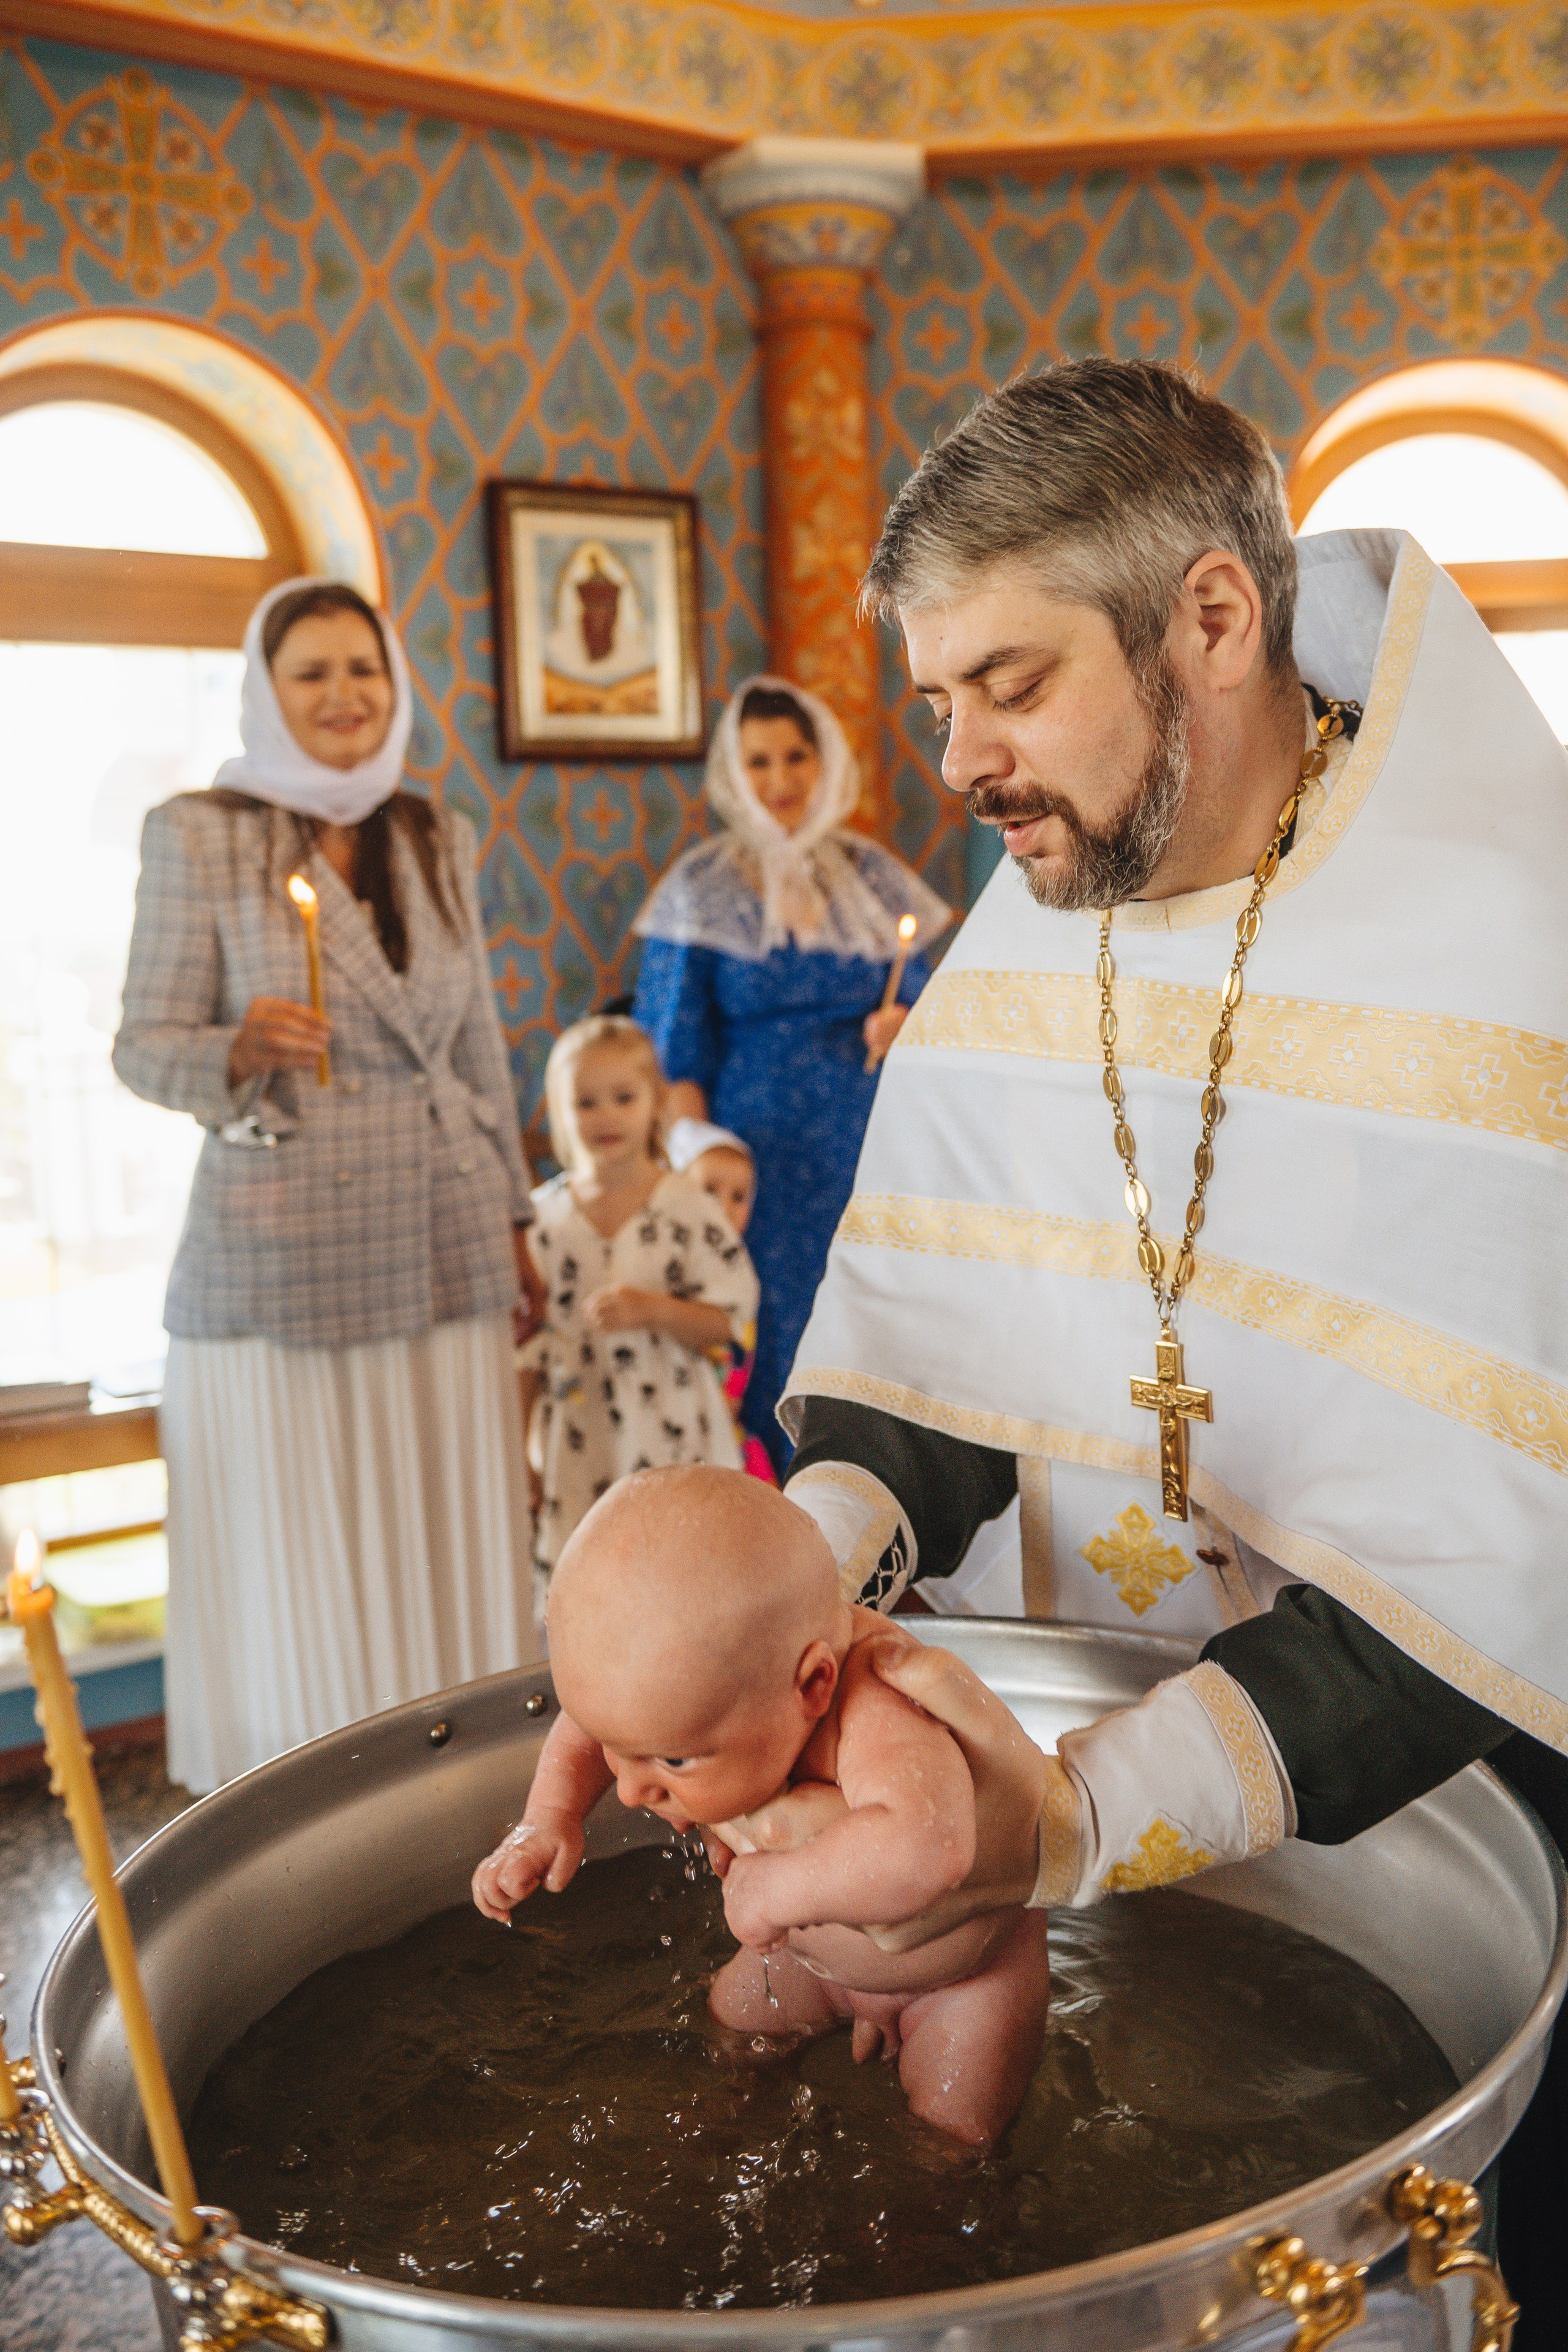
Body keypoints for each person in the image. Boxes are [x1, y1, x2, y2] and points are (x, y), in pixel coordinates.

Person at [769, 360, 1566, 2328]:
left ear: (1212, 615)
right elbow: (937, 1346)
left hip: (1454, 1791)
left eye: (1011, 684)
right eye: (938, 695)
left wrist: (1063, 1821)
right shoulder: (1040, 898)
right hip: (1078, 1765)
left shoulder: (1507, 952)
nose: (957, 756)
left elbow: (1496, 1552)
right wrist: (779, 1589)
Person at [113, 577, 541, 1793]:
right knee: (310, 1543)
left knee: (438, 1527)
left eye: (362, 669)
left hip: (444, 1232)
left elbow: (476, 1046)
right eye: (311, 674)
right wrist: (235, 1050)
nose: (343, 694)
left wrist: (514, 1221)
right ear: (264, 691)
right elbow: (141, 1047)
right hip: (282, 1248)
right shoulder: (199, 833)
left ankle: (454, 1790)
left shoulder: (432, 830)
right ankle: (301, 1800)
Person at [470, 1468, 1049, 2145]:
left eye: (673, 1761)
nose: (631, 1791)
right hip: (809, 1964)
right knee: (732, 2024)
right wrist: (549, 1818)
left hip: (958, 1980)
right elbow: (585, 1721)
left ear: (812, 1684)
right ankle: (727, 2127)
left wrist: (772, 1892)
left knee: (951, 2139)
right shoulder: (711, 1694)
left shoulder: (877, 1701)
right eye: (618, 1751)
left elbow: (931, 1849)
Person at [632, 677, 951, 1477]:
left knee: (874, 1323)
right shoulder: (699, 892)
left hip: (870, 1156)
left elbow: (936, 1015)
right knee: (770, 1332)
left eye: (797, 757)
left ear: (826, 762)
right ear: (734, 773)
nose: (781, 780)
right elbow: (671, 1053)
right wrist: (702, 1162)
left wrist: (904, 1025)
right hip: (753, 1172)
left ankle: (874, 1500)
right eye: (760, 761)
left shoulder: (875, 881)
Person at [518, 1018, 760, 1577]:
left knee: (684, 1575)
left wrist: (651, 1310)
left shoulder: (689, 1206)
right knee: (591, 1577)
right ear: (560, 1110)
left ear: (656, 1103)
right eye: (586, 1102)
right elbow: (525, 1352)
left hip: (675, 1431)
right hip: (581, 1441)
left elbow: (730, 1321)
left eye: (623, 1098)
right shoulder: (542, 1219)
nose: (606, 1116)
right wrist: (521, 1464)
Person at [666, 1116, 775, 1482]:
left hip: (723, 1429)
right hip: (673, 1426)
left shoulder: (743, 1274)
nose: (724, 1207)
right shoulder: (667, 1268)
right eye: (710, 1190)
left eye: (739, 1197)